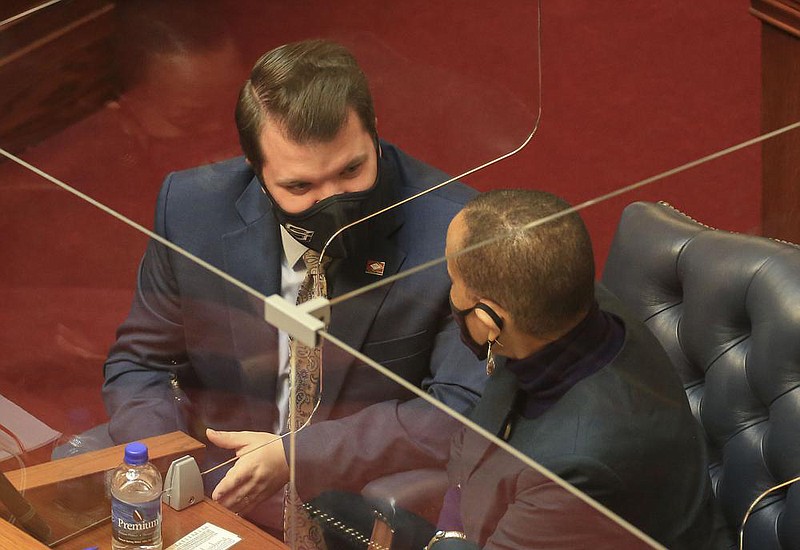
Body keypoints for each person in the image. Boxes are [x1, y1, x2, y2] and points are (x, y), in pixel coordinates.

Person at [101, 38, 486, 535]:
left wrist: (296, 455)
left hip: (355, 507)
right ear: (257, 172)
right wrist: (168, 470)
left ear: (375, 134)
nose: (334, 203)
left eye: (351, 170)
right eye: (300, 187)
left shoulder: (458, 232)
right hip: (217, 489)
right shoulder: (192, 209)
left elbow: (461, 412)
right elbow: (139, 363)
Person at [428, 189, 727, 549]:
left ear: (489, 319)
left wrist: (447, 535)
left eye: (453, 278)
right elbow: (473, 440)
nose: (450, 292)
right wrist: (453, 528)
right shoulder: (559, 312)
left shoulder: (577, 469)